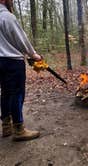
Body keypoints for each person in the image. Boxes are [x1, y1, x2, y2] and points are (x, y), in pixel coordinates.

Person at [0, 0, 42, 141]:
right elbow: (21, 40)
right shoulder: (7, 17)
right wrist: (33, 55)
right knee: (17, 94)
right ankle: (18, 129)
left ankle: (6, 126)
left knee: (5, 93)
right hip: (12, 62)